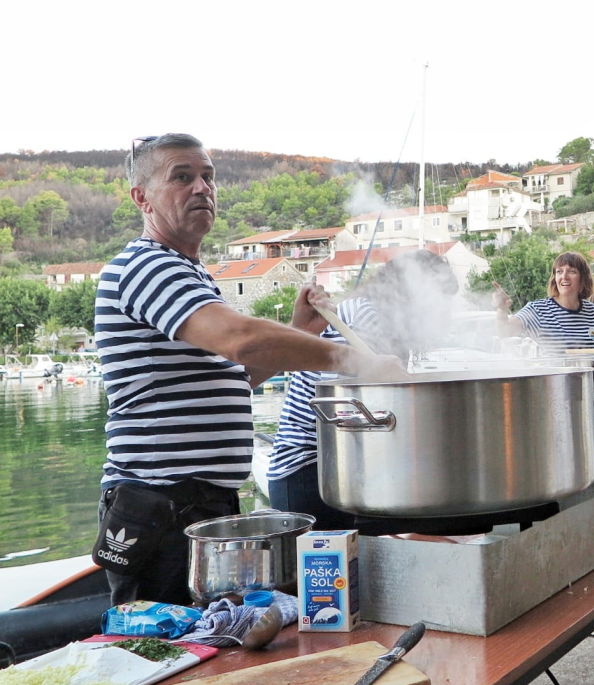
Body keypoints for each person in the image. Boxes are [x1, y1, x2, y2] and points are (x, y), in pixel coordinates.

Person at [94, 134, 406, 607]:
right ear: (142, 198)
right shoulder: (146, 266)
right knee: (168, 655)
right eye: (182, 177)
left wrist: (299, 331)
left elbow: (231, 382)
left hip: (195, 505)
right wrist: (354, 361)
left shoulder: (193, 275)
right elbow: (241, 338)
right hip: (159, 506)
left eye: (208, 176)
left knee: (207, 653)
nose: (202, 188)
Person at [267, 251, 460, 528]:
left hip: (332, 471)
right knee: (437, 522)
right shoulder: (366, 316)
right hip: (310, 473)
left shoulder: (375, 318)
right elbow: (352, 409)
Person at [493, 251, 594, 354]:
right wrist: (502, 309)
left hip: (590, 374)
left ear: (583, 278)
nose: (564, 277)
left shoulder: (592, 311)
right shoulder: (538, 309)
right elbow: (505, 332)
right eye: (559, 271)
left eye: (572, 271)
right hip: (555, 374)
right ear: (555, 278)